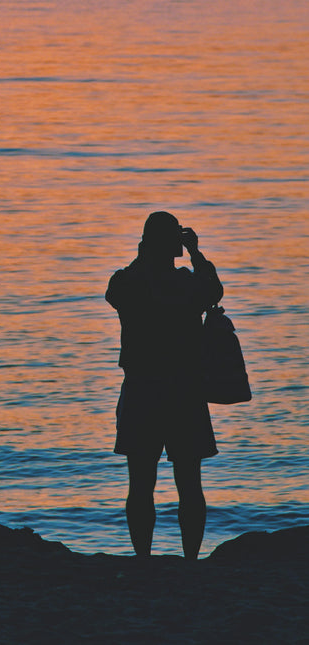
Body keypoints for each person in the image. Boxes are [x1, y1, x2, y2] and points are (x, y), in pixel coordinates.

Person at [106, 212, 223, 559]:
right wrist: (196, 253)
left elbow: (116, 289)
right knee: (190, 483)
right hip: (184, 392)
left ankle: (143, 558)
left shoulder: (129, 284)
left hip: (142, 390)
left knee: (140, 483)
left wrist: (146, 252)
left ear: (144, 245)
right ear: (175, 246)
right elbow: (214, 289)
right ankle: (191, 561)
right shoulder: (189, 284)